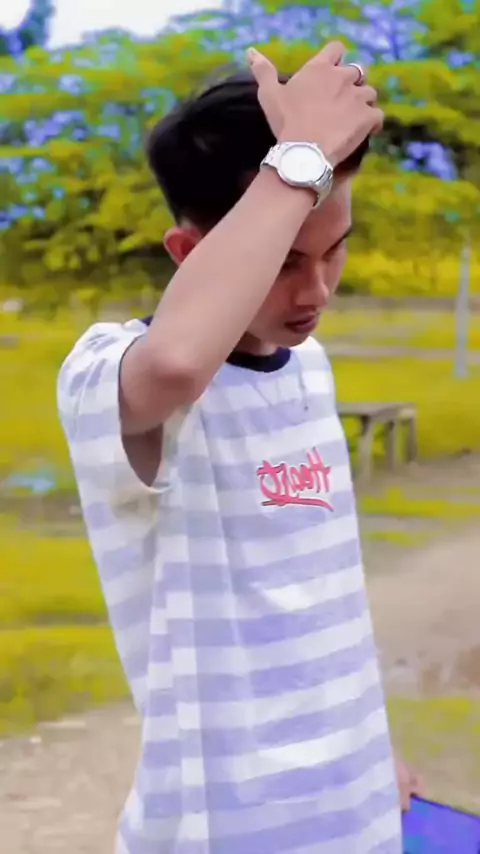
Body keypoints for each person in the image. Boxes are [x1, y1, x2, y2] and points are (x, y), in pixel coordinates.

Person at [58, 41, 420, 854]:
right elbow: (178, 364)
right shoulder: (108, 376)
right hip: (224, 830)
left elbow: (319, 601)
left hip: (357, 815)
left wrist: (371, 751)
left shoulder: (310, 369)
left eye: (334, 249)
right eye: (286, 259)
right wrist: (299, 159)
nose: (316, 290)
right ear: (191, 253)